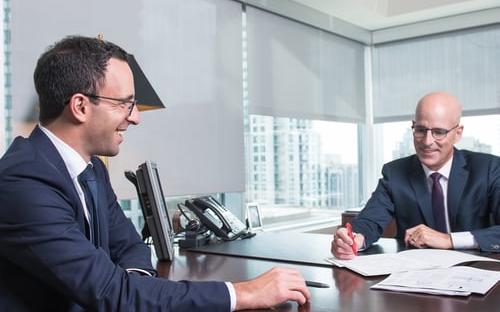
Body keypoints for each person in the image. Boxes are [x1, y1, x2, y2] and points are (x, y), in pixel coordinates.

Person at [0, 35, 310, 311]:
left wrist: (135, 286)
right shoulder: (23, 182)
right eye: (124, 103)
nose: (135, 118)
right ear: (80, 107)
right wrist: (244, 293)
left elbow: (130, 245)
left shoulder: (90, 167)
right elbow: (110, 293)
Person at [331, 91, 500, 260]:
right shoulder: (395, 173)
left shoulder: (488, 169)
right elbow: (370, 220)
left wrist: (449, 240)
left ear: (458, 133)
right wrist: (352, 239)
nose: (427, 141)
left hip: (477, 273)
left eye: (439, 132)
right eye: (421, 130)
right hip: (415, 273)